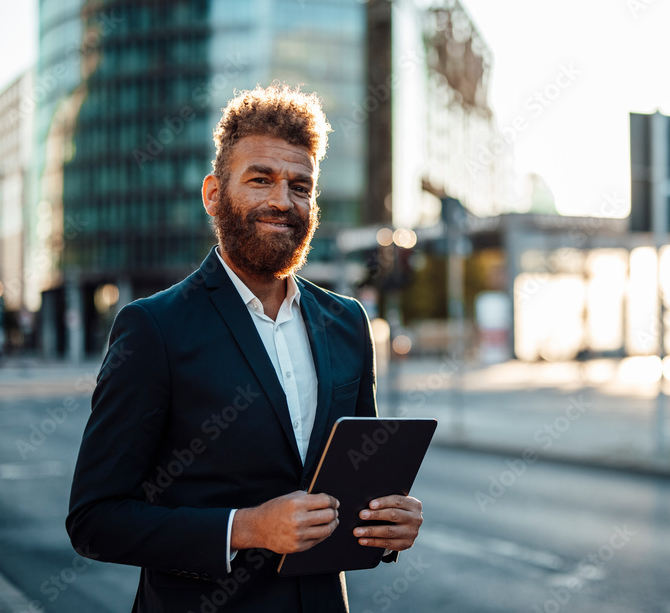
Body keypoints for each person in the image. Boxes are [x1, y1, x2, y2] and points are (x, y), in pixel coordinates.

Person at [66, 85, 423, 612]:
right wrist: (246, 528)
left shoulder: (347, 322)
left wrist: (388, 522)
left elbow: (356, 485)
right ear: (214, 194)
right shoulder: (152, 329)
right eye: (261, 180)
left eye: (300, 186)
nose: (282, 201)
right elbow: (94, 520)